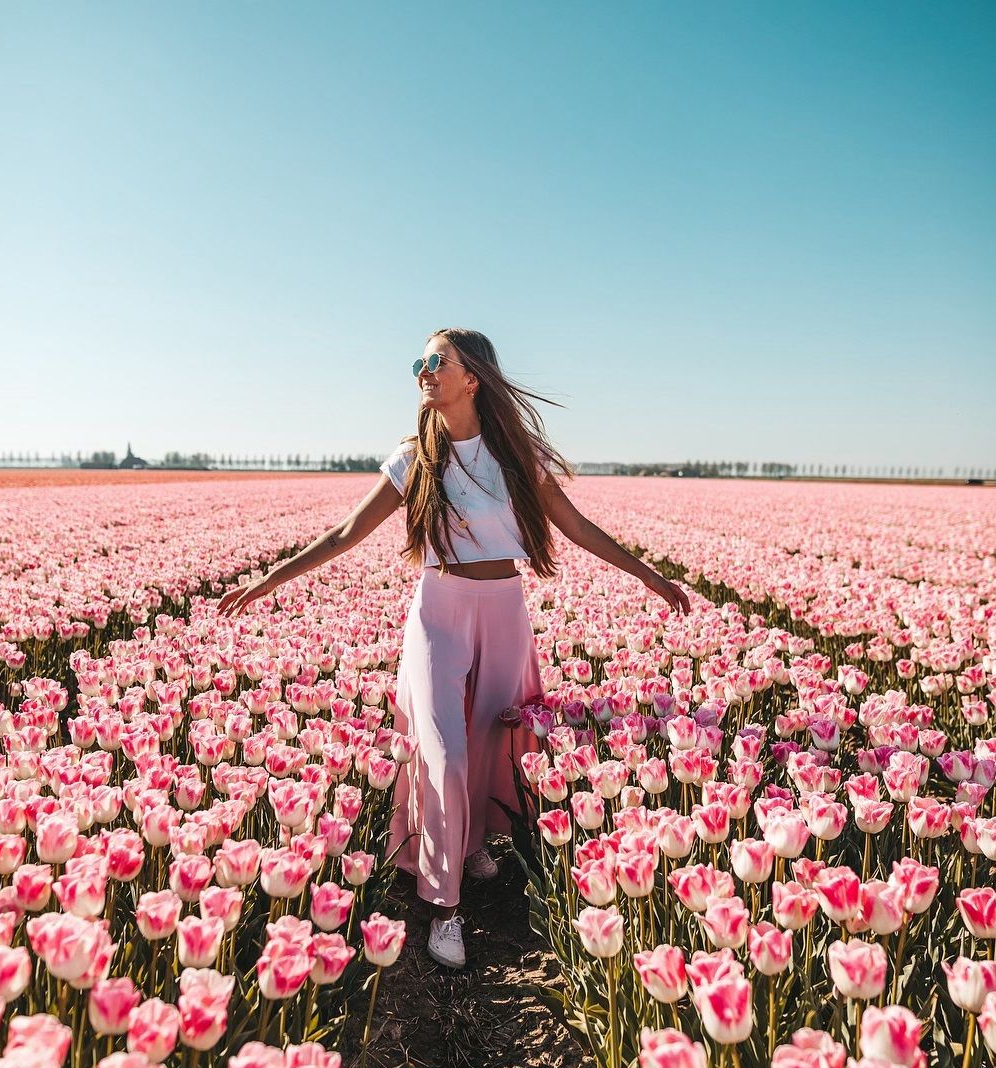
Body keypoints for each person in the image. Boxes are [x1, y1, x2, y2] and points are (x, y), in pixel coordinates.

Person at [217, 328, 689, 970]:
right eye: (420, 362)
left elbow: (575, 527)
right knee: (442, 752)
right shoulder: (413, 459)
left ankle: (471, 845)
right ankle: (444, 908)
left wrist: (649, 575)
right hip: (439, 611)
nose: (423, 371)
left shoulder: (515, 456)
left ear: (473, 377)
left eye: (437, 361)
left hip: (503, 611)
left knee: (494, 740)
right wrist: (270, 578)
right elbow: (345, 533)